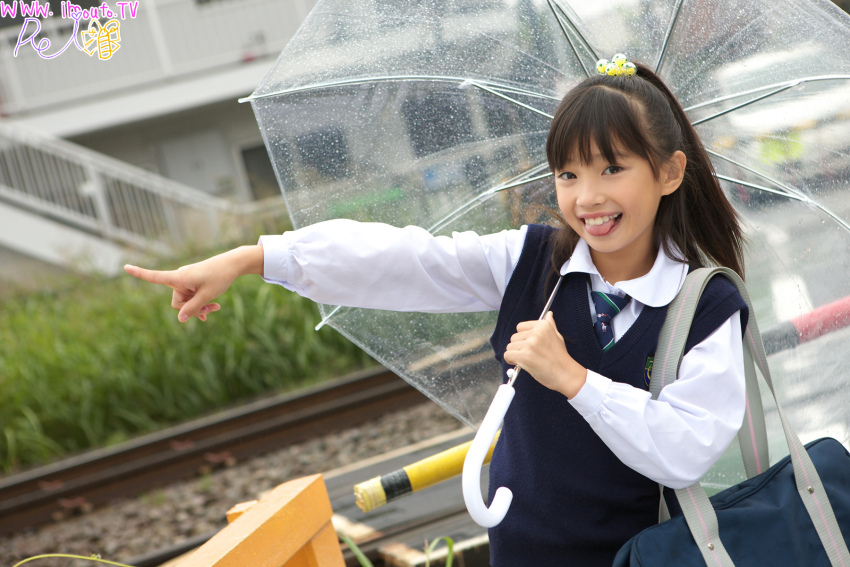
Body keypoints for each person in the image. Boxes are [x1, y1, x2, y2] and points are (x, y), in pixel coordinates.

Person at [125, 61, 748, 566]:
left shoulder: (705, 305)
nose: (587, 197)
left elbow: (685, 450)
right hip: (521, 553)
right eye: (568, 172)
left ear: (669, 172)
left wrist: (574, 380)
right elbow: (403, 259)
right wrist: (254, 257)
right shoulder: (532, 262)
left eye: (613, 168)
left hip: (638, 557)